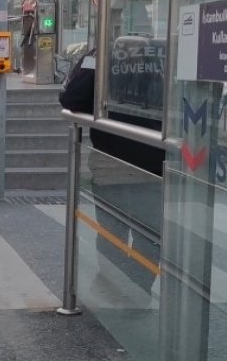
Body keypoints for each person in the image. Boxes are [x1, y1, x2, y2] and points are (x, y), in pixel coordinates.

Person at [59, 46, 164, 297]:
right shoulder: (161, 53)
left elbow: (71, 98)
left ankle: (117, 287)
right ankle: (137, 287)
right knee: (148, 234)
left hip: (111, 160)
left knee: (111, 230)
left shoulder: (101, 55)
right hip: (153, 159)